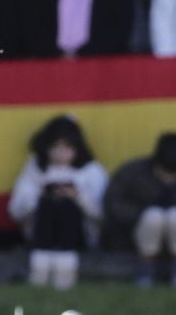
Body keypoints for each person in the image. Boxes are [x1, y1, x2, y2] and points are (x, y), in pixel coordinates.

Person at [103, 132, 176, 288]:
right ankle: (146, 268)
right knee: (153, 216)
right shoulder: (132, 173)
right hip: (134, 236)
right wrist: (138, 215)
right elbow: (114, 203)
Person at [8, 115, 108, 291]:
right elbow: (15, 211)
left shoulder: (92, 171)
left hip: (79, 236)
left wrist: (77, 196)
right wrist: (40, 195)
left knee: (66, 208)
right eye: (55, 147)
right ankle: (39, 273)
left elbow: (103, 214)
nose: (61, 153)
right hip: (40, 234)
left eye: (67, 147)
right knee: (50, 206)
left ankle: (65, 274)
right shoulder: (35, 169)